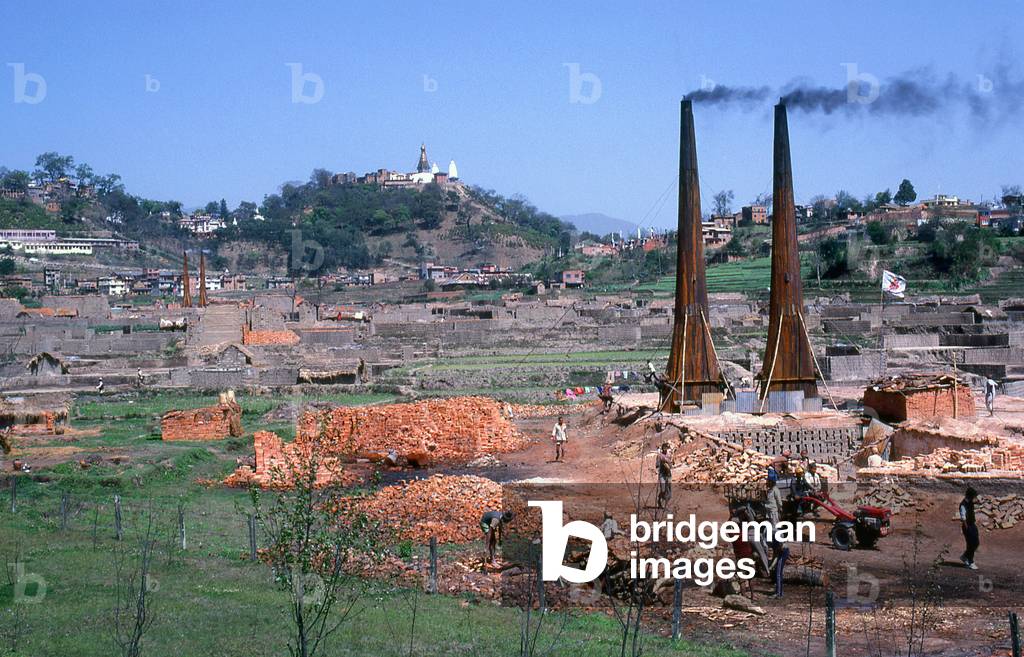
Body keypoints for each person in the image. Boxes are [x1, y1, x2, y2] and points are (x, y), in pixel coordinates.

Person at [959, 487, 979, 570]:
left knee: (976, 542)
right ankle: (970, 561)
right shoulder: (963, 505)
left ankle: (965, 556)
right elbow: (963, 518)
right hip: (968, 526)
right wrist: (967, 529)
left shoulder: (970, 502)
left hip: (972, 524)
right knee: (971, 544)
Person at [655, 442, 673, 508]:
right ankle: (660, 499)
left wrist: (668, 461)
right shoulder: (659, 456)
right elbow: (657, 465)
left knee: (668, 489)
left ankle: (666, 504)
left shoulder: (669, 455)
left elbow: (671, 465)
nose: (666, 449)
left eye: (667, 448)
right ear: (663, 449)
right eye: (665, 448)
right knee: (663, 489)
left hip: (668, 474)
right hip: (662, 474)